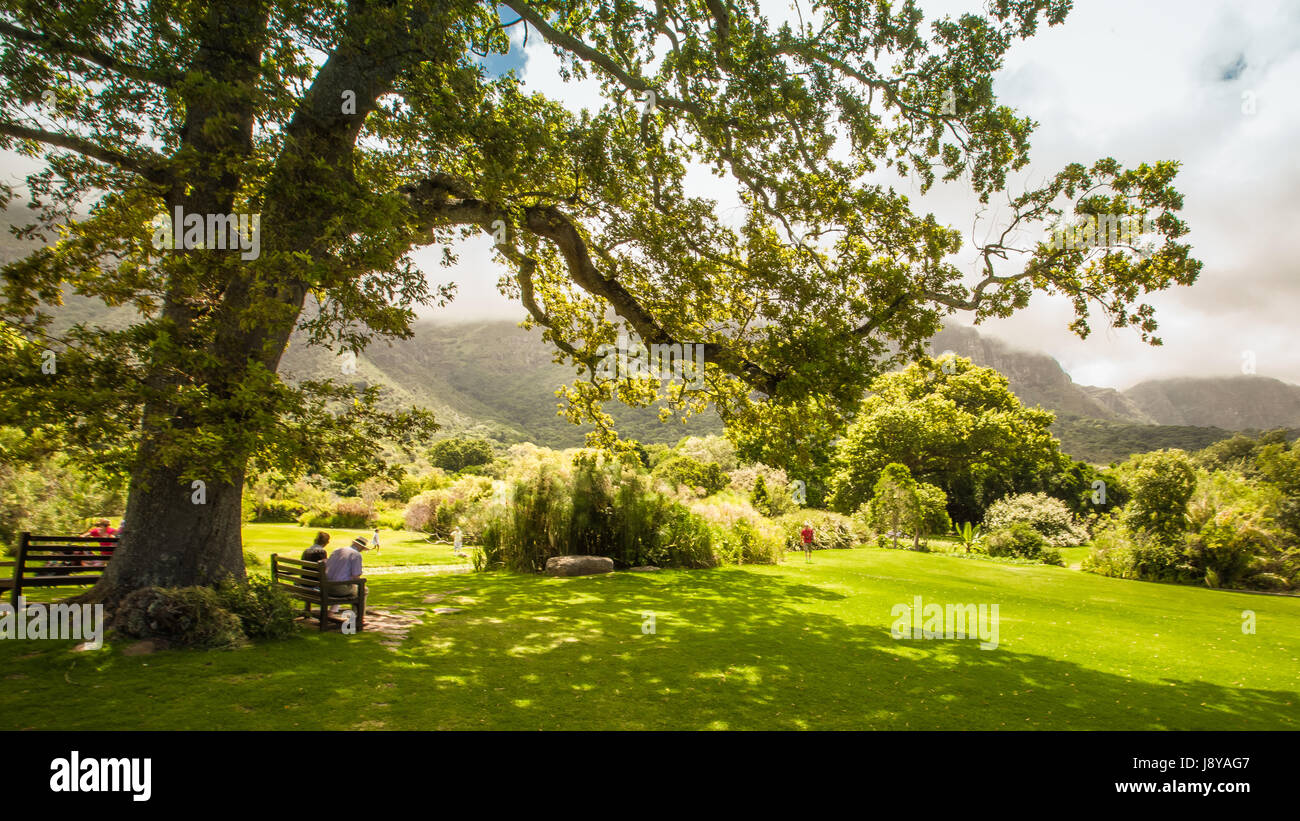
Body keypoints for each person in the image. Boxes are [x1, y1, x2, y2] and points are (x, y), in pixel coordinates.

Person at [325, 535, 369, 616]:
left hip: (325, 587)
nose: (362, 550)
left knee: (343, 584)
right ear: (360, 546)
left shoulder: (337, 550)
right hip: (338, 589)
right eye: (362, 548)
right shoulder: (356, 555)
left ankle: (331, 612)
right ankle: (358, 618)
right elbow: (356, 576)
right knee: (363, 590)